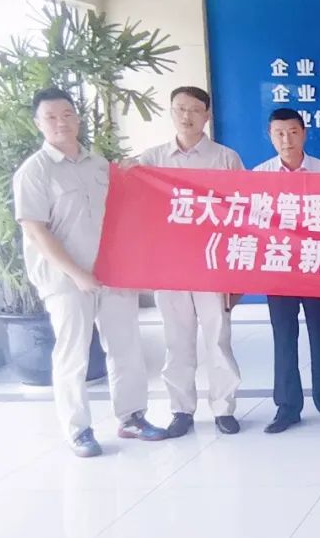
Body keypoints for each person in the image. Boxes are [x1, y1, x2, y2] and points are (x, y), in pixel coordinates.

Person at [14, 87, 167, 457]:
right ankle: (78, 429)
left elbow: (123, 212)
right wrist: (77, 273)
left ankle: (132, 417)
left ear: (78, 119)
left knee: (126, 347)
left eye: (67, 114)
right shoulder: (34, 171)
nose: (60, 123)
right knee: (73, 354)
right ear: (38, 123)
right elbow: (35, 230)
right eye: (51, 117)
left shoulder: (99, 165)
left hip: (113, 273)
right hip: (66, 280)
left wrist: (132, 175)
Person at [134, 86, 243, 437]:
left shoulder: (226, 158)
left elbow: (242, 212)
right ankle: (181, 410)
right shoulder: (151, 159)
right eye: (180, 108)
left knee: (218, 339)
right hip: (170, 265)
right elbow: (135, 207)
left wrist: (237, 273)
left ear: (207, 115)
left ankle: (224, 408)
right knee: (177, 341)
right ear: (171, 112)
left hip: (213, 263)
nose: (187, 116)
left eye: (195, 109)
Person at [253, 108, 320, 433]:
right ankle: (287, 407)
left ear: (304, 133)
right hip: (279, 266)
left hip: (318, 265)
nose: (287, 139)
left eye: (293, 132)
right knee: (284, 337)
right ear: (270, 136)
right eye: (279, 133)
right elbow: (255, 226)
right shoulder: (259, 175)